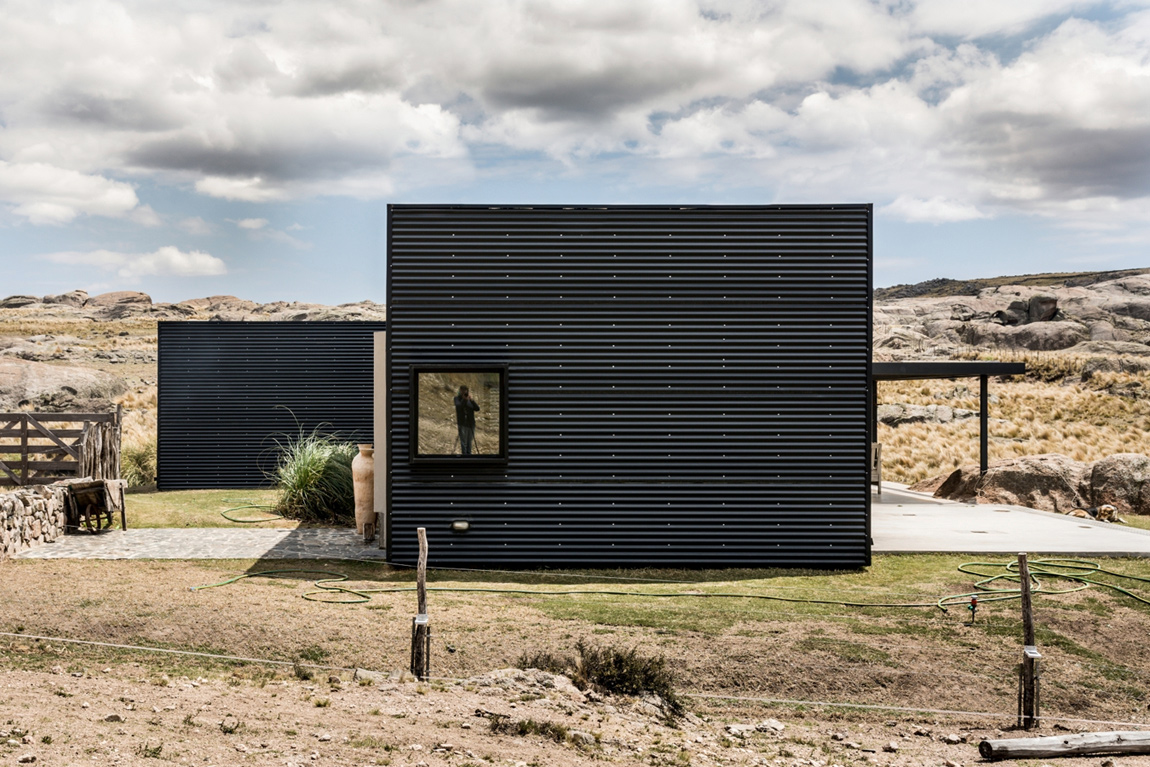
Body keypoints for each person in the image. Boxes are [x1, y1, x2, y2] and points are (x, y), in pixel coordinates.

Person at [454, 385, 480, 455]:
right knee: (463, 443)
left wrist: (472, 400)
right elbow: (459, 407)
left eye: (465, 391)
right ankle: (464, 457)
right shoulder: (457, 399)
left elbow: (477, 408)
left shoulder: (469, 400)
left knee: (469, 443)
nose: (463, 393)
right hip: (462, 424)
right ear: (460, 391)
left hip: (471, 424)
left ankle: (469, 457)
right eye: (462, 391)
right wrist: (464, 400)